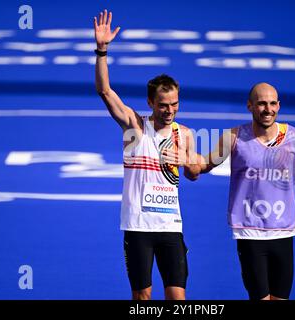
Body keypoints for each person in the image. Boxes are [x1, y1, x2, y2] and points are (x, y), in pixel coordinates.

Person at [93, 9, 201, 300]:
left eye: (175, 104)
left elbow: (194, 174)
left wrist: (186, 161)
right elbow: (105, 91)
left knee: (177, 298)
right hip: (138, 227)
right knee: (143, 298)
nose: (170, 110)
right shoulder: (134, 127)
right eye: (164, 105)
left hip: (171, 227)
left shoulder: (185, 134)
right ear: (151, 102)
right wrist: (102, 51)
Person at [191, 82, 295, 300]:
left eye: (272, 104)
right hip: (249, 231)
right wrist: (187, 162)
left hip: (284, 229)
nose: (267, 109)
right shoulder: (234, 138)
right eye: (261, 104)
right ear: (249, 106)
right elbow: (205, 165)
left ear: (278, 106)